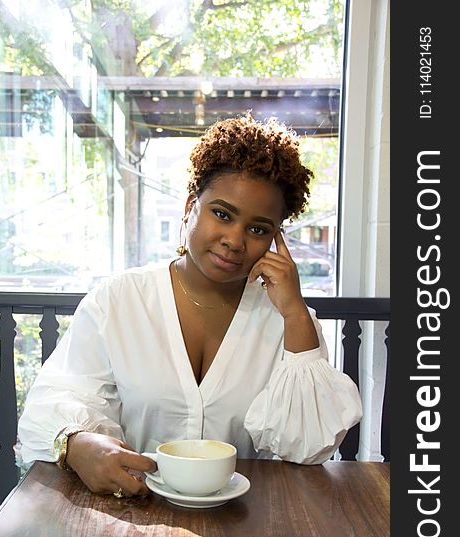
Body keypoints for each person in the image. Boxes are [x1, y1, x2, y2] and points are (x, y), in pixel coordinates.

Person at [18, 113, 362, 498]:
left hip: (249, 525)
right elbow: (58, 397)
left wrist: (296, 312)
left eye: (258, 229)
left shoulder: (289, 322)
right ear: (190, 206)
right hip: (134, 511)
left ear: (275, 241)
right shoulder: (119, 301)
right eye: (222, 214)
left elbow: (310, 450)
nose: (234, 240)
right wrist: (77, 444)